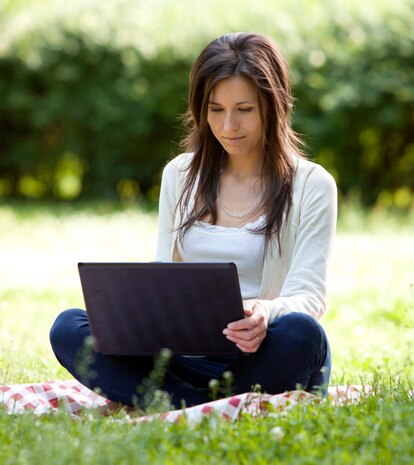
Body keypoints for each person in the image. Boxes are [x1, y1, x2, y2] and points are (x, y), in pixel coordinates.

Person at [49, 32, 337, 409]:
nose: (228, 125)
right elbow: (164, 272)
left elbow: (310, 295)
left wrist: (266, 312)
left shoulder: (312, 185)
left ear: (274, 104)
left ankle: (157, 401)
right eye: (215, 109)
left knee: (304, 334)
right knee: (69, 326)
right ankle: (199, 403)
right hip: (182, 357)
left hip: (261, 353)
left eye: (244, 109)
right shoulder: (180, 174)